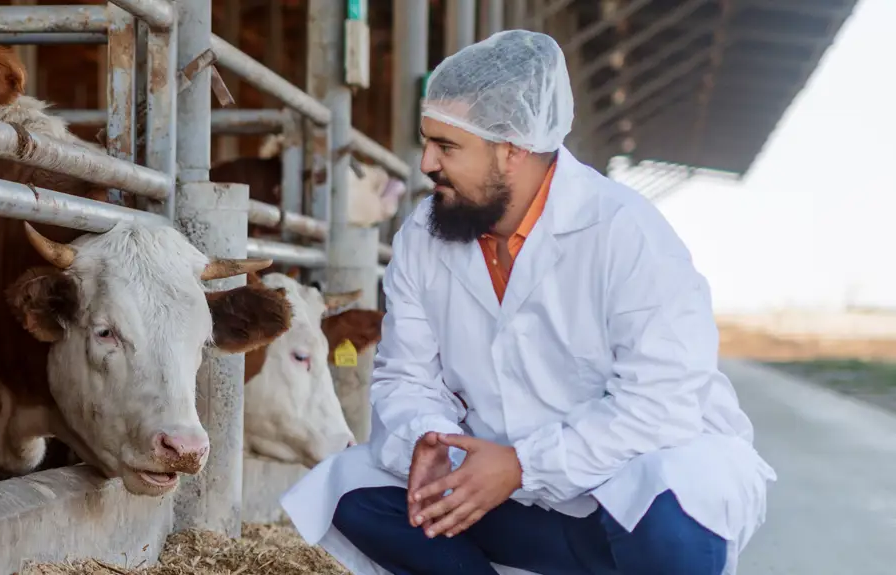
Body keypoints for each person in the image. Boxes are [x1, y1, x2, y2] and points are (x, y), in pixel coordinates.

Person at [277, 30, 776, 575]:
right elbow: (404, 377)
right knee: (349, 486)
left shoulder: (626, 233)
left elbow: (662, 402)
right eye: (428, 141)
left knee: (683, 488)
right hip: (506, 497)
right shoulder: (423, 235)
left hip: (619, 499)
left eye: (446, 146)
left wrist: (523, 466)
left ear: (511, 149)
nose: (425, 163)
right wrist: (427, 436)